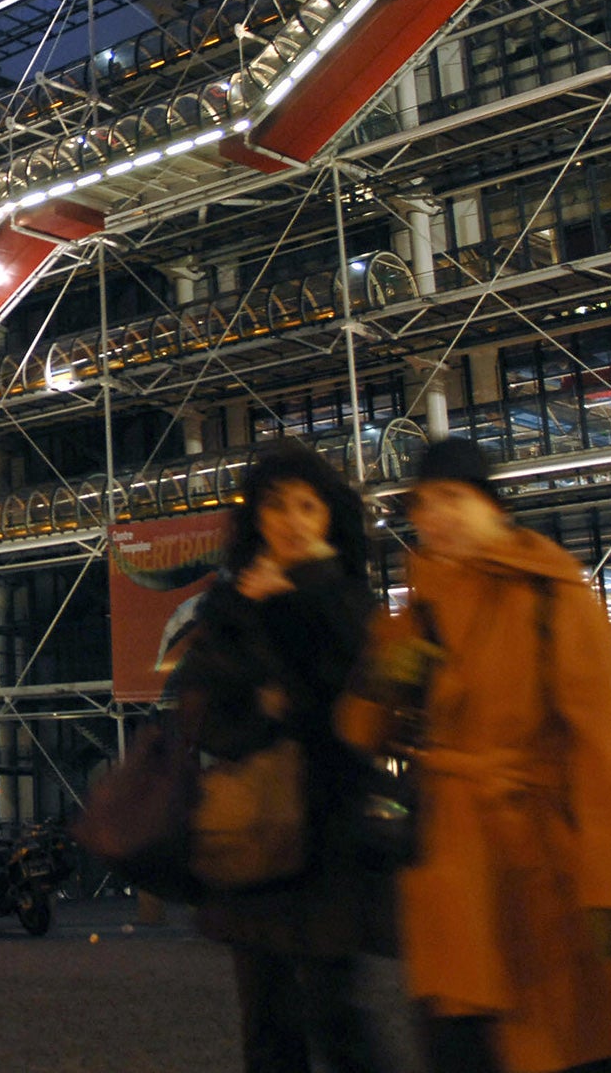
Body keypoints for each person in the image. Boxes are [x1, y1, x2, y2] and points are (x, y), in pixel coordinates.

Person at [341, 439, 611, 1073]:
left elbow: (602, 745)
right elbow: (359, 732)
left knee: (576, 1039)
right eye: (422, 504)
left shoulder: (555, 596)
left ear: (492, 507)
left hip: (543, 862)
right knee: (463, 1042)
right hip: (451, 871)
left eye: (452, 498)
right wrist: (384, 681)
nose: (435, 516)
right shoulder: (413, 615)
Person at [170, 439, 388, 1073]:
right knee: (267, 1026)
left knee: (336, 1016)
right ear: (255, 519)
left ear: (328, 518)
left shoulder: (346, 598)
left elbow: (356, 702)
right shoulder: (229, 604)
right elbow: (204, 713)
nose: (291, 521)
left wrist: (303, 597)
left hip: (327, 833)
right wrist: (267, 681)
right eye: (276, 506)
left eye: (307, 506)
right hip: (254, 833)